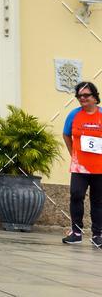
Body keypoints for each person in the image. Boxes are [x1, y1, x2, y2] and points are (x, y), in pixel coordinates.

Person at [61, 81, 102, 247]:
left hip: (99, 167)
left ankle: (98, 234)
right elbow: (66, 135)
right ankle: (76, 232)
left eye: (86, 95)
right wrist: (74, 155)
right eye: (79, 96)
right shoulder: (73, 115)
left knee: (98, 201)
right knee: (76, 195)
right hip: (80, 167)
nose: (82, 98)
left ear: (95, 97)